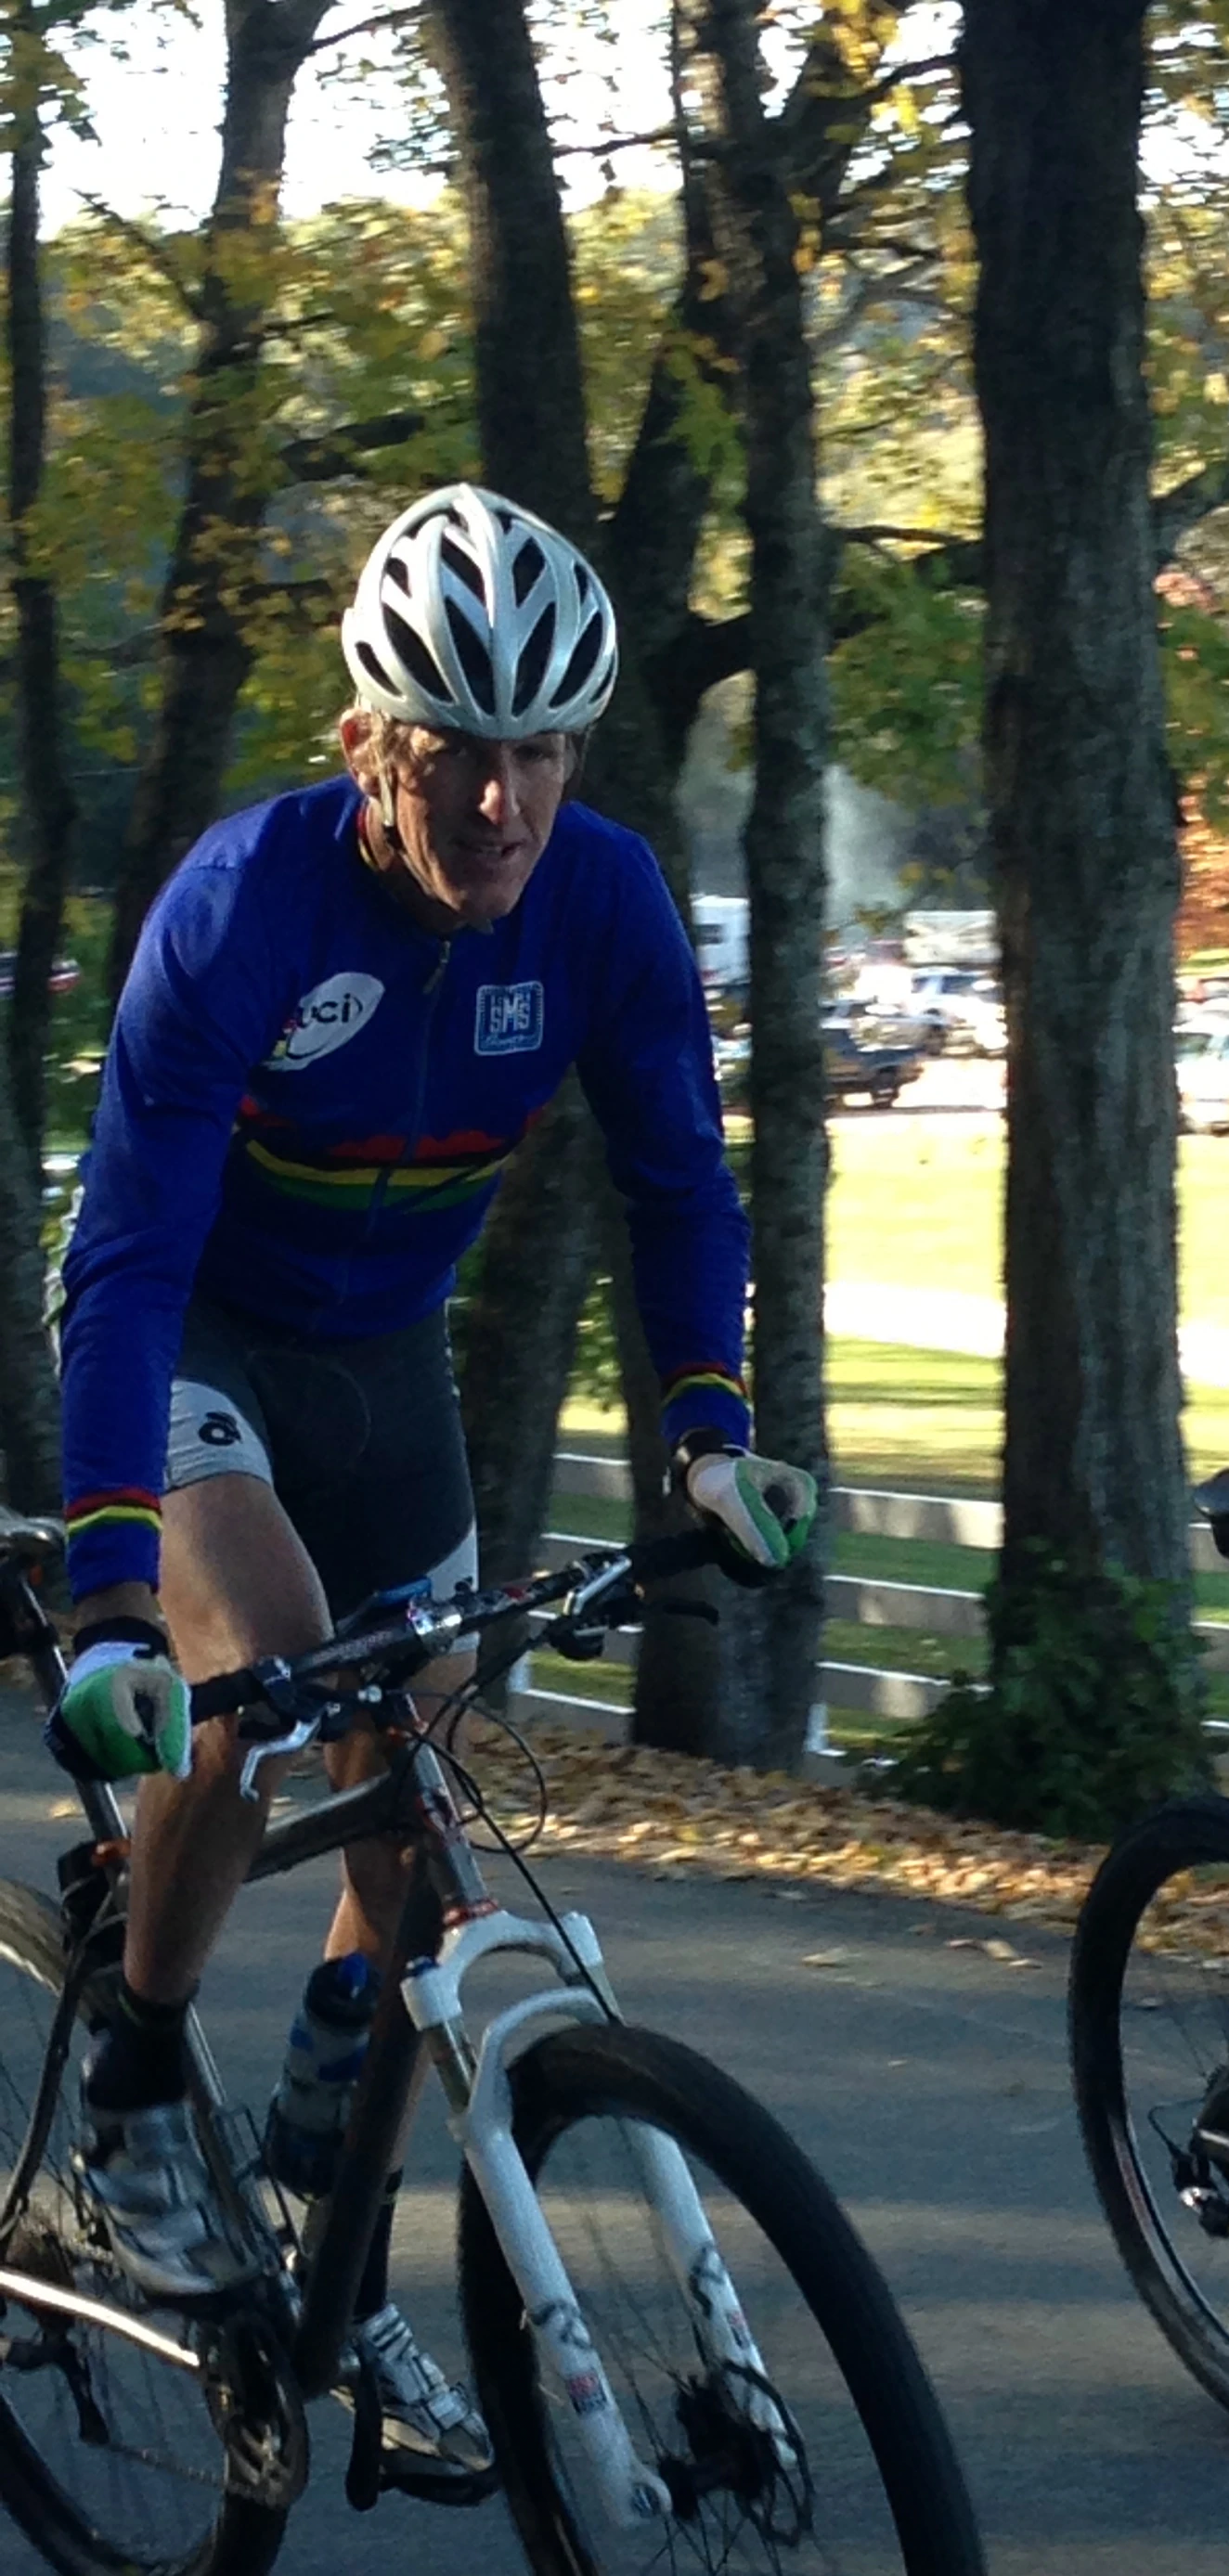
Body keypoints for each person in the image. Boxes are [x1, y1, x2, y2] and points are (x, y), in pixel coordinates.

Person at [45, 483, 816, 2464]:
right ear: (368, 744)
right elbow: (126, 1261)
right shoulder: (244, 905)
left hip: (384, 1362)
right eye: (456, 752)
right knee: (275, 1679)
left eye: (541, 749)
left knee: (420, 1785)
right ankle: (132, 2082)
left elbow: (680, 1184)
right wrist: (114, 1583)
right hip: (201, 1333)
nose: (503, 801)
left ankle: (314, 2204)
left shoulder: (607, 902)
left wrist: (713, 1423)